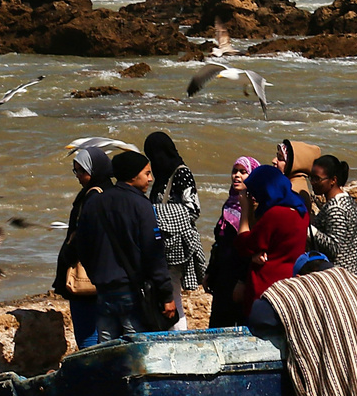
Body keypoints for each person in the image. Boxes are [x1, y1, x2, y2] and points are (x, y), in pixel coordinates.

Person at [76, 150, 178, 340]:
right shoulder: (141, 205)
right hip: (132, 293)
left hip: (104, 290)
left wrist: (97, 275)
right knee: (135, 348)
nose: (150, 179)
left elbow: (82, 247)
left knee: (107, 348)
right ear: (133, 175)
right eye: (147, 173)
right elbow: (154, 254)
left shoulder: (94, 203)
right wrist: (166, 295)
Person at [52, 146, 111, 348]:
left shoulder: (92, 197)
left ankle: (93, 374)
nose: (77, 176)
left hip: (87, 276)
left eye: (81, 171)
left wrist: (67, 257)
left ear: (94, 171)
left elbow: (84, 235)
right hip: (109, 275)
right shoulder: (113, 193)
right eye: (75, 170)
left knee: (88, 333)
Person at [235, 164, 311, 307]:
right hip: (291, 284)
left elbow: (243, 245)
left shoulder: (275, 214)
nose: (255, 198)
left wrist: (245, 212)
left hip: (267, 287)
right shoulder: (301, 211)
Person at [145, 132, 206, 299]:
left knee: (172, 295)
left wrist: (162, 218)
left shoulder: (181, 174)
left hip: (176, 245)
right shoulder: (161, 177)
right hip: (160, 244)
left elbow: (193, 210)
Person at [206, 156, 258, 328]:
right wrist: (210, 272)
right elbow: (219, 242)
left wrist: (242, 281)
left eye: (243, 172)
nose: (237, 176)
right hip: (223, 275)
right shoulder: (229, 203)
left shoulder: (254, 209)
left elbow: (249, 248)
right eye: (234, 171)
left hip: (238, 277)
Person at [308, 154, 357, 279]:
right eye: (311, 178)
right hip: (353, 273)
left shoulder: (336, 208)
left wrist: (309, 231)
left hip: (340, 277)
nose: (313, 183)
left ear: (333, 180)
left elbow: (334, 247)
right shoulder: (348, 200)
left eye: (317, 179)